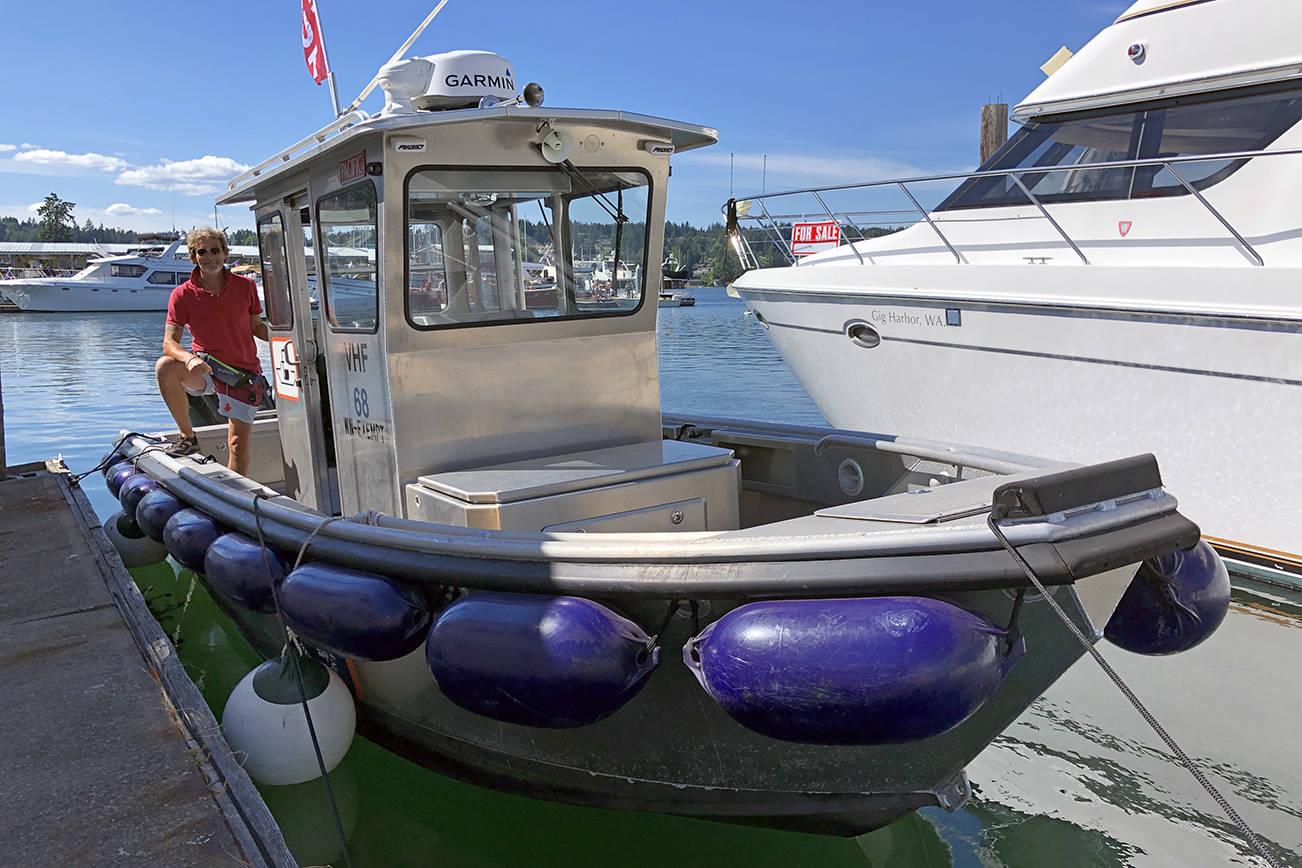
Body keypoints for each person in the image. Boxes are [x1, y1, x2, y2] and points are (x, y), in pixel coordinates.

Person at [155, 228, 269, 474]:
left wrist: (288, 339)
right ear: (194, 257)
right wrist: (188, 359)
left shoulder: (246, 286)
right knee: (165, 367)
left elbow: (257, 327)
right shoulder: (181, 295)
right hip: (205, 369)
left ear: (225, 253)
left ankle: (236, 496)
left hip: (242, 374)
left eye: (215, 251)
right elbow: (169, 343)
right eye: (202, 252)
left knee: (237, 444)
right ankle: (188, 438)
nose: (209, 257)